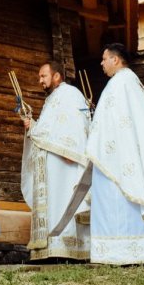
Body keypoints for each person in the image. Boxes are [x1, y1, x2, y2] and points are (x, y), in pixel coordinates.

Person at [81, 43, 144, 265]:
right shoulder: (133, 83)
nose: (101, 63)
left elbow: (113, 125)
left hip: (118, 158)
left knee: (119, 202)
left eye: (104, 59)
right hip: (127, 156)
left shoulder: (119, 84)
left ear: (115, 60)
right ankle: (138, 251)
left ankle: (121, 253)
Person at [20, 61, 91, 261]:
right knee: (52, 204)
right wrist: (32, 125)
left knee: (62, 202)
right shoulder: (52, 100)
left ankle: (65, 251)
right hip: (50, 165)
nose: (40, 80)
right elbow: (48, 130)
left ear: (57, 76)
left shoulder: (70, 94)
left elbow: (77, 125)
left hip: (64, 162)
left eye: (43, 76)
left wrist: (73, 149)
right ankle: (48, 250)